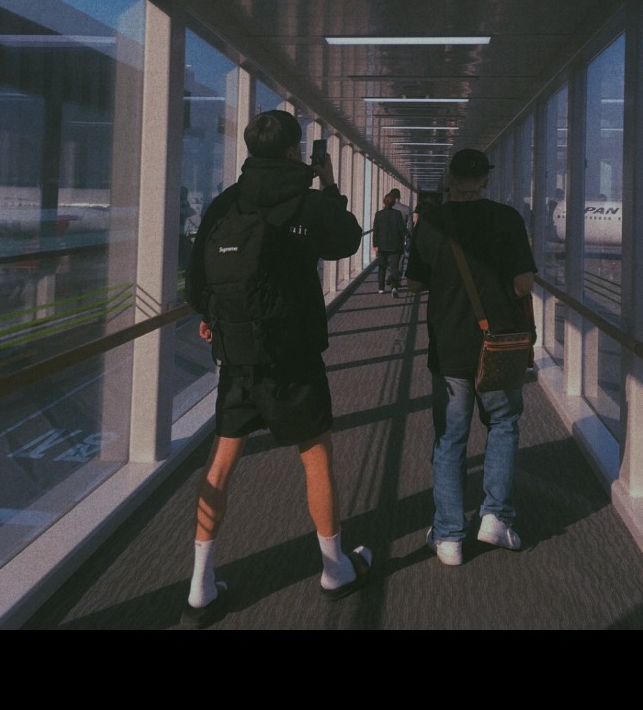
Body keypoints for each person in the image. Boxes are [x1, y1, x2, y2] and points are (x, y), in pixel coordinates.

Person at [180, 109, 373, 628]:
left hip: (238, 357)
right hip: (294, 357)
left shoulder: (227, 202)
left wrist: (213, 318)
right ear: (293, 152)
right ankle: (334, 568)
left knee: (220, 465)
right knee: (316, 459)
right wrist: (329, 186)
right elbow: (348, 240)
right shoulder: (308, 201)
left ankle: (199, 586)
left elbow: (197, 279)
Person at [406, 148, 537, 566]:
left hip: (449, 346)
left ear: (449, 177)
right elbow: (523, 284)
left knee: (450, 438)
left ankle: (449, 537)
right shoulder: (508, 219)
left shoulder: (431, 222)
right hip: (497, 344)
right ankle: (495, 517)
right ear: (485, 180)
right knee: (502, 423)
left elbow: (414, 284)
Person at [373, 189, 407, 295]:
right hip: (395, 245)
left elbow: (376, 230)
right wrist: (404, 240)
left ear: (384, 202)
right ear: (393, 202)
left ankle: (381, 288)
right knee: (394, 268)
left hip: (382, 245)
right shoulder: (397, 214)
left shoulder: (378, 214)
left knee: (382, 267)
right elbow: (401, 229)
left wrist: (375, 244)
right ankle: (394, 287)